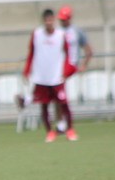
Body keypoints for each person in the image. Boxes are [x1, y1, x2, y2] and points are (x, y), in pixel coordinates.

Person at [22, 8, 76, 142]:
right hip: (41, 77)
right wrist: (27, 71)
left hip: (57, 76)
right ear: (43, 21)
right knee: (44, 104)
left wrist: (66, 71)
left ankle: (69, 129)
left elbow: (68, 55)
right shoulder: (37, 34)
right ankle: (50, 132)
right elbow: (31, 54)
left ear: (53, 20)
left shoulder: (60, 35)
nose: (49, 22)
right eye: (46, 20)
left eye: (51, 19)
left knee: (64, 103)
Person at [55, 5, 92, 133]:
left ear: (69, 18)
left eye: (64, 19)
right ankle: (62, 123)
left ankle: (63, 123)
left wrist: (83, 65)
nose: (62, 21)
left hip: (70, 65)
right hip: (59, 66)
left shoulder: (76, 31)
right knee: (58, 93)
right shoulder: (57, 31)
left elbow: (88, 50)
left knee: (59, 91)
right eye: (61, 19)